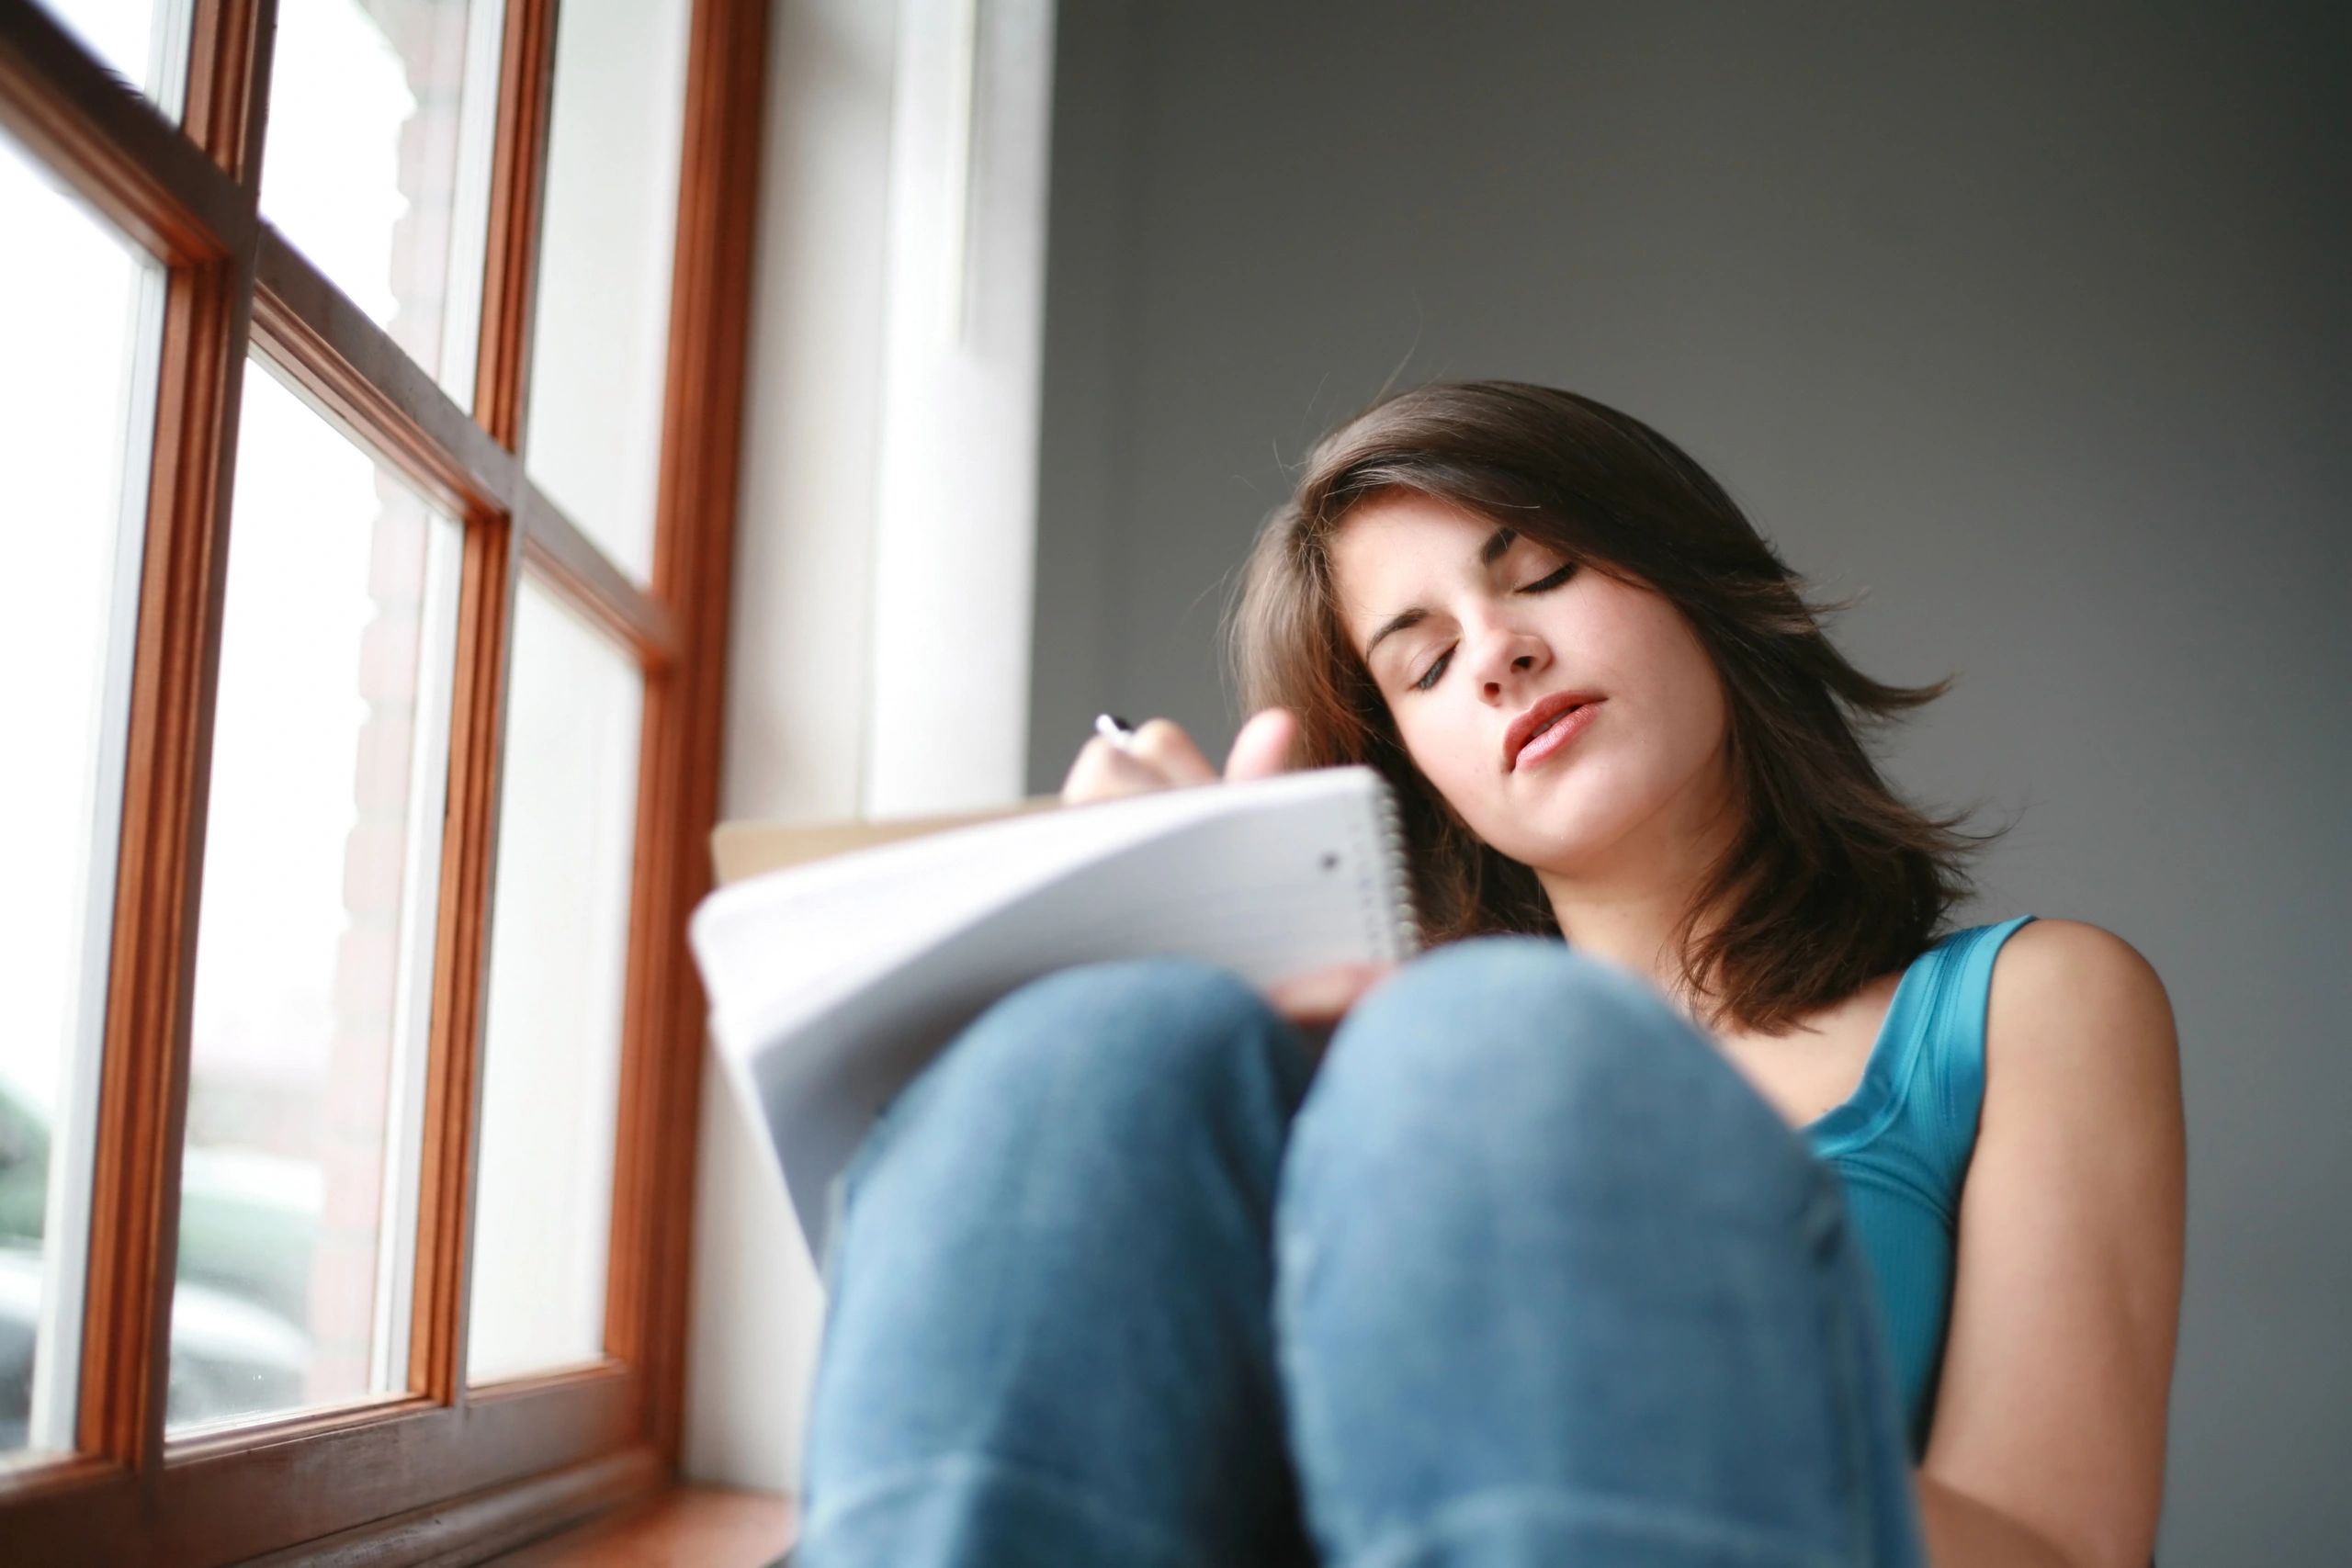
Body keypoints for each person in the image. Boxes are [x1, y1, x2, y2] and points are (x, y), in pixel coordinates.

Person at [789, 381, 2185, 1568]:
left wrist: (1641, 1361)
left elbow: (2056, 1552)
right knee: (1111, 1044)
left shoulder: (2034, 1003)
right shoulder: (1371, 1076)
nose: (1503, 655)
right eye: (1428, 660)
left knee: (1495, 1049)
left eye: (1544, 575)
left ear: (1697, 583)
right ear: (1419, 778)